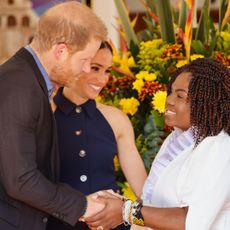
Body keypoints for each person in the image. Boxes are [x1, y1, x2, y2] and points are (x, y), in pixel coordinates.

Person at [86, 58, 230, 230]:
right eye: (170, 92)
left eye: (180, 96)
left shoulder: (219, 148)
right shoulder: (175, 140)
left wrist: (126, 211)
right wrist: (118, 206)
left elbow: (190, 222)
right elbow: (156, 206)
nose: (169, 100)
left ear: (206, 102)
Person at [0, 1, 108, 230]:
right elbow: (21, 180)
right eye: (85, 60)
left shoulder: (29, 80)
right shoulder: (19, 85)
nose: (87, 69)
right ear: (61, 51)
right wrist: (84, 206)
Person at [48, 41, 147, 230]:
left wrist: (147, 224)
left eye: (107, 71)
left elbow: (144, 191)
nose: (102, 79)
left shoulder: (117, 119)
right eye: (95, 68)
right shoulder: (43, 115)